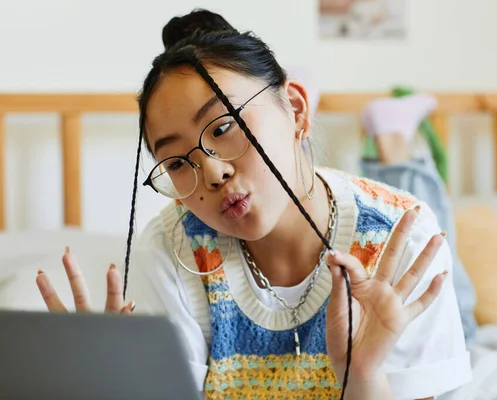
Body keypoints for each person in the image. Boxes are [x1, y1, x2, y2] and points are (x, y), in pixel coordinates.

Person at [35, 9, 472, 400]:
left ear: (296, 109)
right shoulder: (171, 250)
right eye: (176, 161)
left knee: (466, 300)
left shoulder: (403, 235)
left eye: (224, 127)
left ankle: (393, 139)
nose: (211, 173)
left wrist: (364, 380)